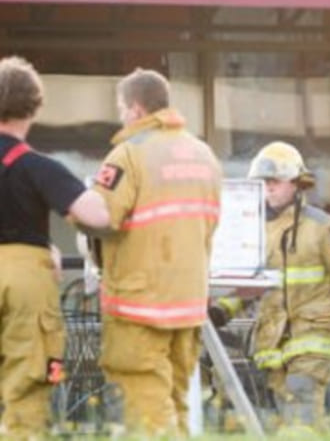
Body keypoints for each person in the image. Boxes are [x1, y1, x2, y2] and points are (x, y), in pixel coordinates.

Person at [92, 68, 222, 435]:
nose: (121, 116)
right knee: (177, 402)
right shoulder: (204, 155)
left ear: (135, 109)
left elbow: (101, 217)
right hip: (189, 302)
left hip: (139, 304)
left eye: (121, 107)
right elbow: (210, 224)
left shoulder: (128, 155)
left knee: (146, 405)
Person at [0, 56, 110, 438]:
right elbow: (95, 215)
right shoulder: (37, 167)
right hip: (25, 282)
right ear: (34, 106)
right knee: (30, 381)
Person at [249, 141, 330, 433]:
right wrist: (222, 308)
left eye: (275, 181)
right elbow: (251, 282)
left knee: (301, 400)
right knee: (294, 417)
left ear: (296, 184)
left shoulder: (325, 227)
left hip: (316, 333)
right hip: (274, 338)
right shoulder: (255, 230)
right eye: (263, 182)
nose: (268, 188)